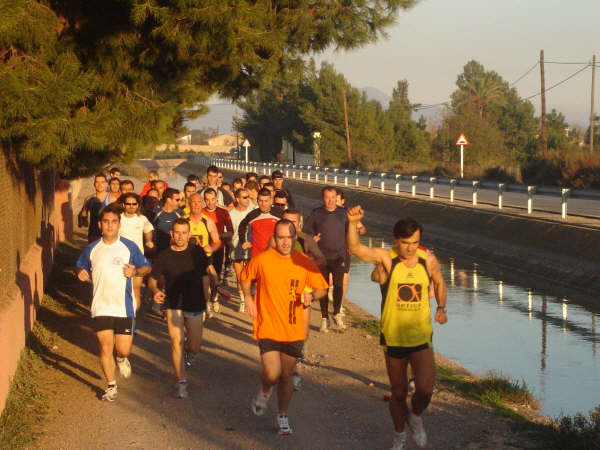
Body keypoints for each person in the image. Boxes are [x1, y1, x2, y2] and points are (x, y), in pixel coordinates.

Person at [346, 207, 447, 450]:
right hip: (393, 338)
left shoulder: (427, 260)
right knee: (398, 393)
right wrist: (352, 223)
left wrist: (441, 306)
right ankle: (399, 434)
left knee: (424, 388)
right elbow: (356, 249)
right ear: (396, 240)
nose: (411, 248)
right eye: (406, 243)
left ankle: (416, 416)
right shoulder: (386, 258)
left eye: (415, 242)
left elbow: (439, 281)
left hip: (421, 335)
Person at [241, 219, 328, 435]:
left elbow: (322, 289)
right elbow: (245, 278)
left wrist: (312, 296)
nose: (286, 242)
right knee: (272, 373)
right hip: (268, 326)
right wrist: (248, 298)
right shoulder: (262, 260)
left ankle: (282, 415)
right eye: (281, 238)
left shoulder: (304, 262)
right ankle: (264, 391)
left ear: (294, 237)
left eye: (289, 237)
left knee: (286, 375)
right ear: (274, 238)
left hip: (294, 329)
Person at [75, 206, 151, 401]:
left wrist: (134, 272)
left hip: (124, 307)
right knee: (104, 347)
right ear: (100, 225)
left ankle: (122, 358)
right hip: (100, 306)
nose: (110, 225)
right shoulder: (92, 248)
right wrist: (80, 273)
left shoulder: (129, 247)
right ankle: (111, 386)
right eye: (106, 222)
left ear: (119, 225)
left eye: (114, 222)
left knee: (122, 349)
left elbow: (146, 267)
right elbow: (80, 265)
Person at [148, 219, 210, 399]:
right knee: (176, 342)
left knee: (195, 346)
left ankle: (191, 354)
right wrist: (155, 290)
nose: (180, 236)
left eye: (184, 233)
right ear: (172, 234)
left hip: (195, 303)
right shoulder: (164, 256)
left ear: (189, 235)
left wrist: (211, 295)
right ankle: (181, 382)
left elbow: (207, 274)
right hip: (173, 303)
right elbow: (152, 279)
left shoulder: (197, 252)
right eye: (177, 232)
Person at [303, 186, 348, 332]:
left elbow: (351, 231)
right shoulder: (317, 213)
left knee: (339, 285)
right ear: (323, 198)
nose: (330, 200)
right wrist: (312, 239)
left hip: (339, 256)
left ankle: (336, 313)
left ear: (337, 197)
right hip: (321, 257)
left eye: (333, 197)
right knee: (323, 288)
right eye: (327, 197)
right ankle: (324, 318)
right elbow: (306, 232)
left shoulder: (344, 213)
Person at [119, 193, 154, 309]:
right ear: (123, 205)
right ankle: (120, 316)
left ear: (138, 205)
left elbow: (148, 229)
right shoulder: (118, 219)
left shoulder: (142, 219)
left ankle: (132, 319)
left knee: (135, 289)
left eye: (134, 204)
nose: (131, 206)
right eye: (128, 204)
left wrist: (148, 240)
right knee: (120, 289)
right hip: (120, 258)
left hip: (137, 258)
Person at [202, 188, 233, 312]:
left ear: (217, 199)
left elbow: (230, 232)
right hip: (204, 249)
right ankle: (205, 301)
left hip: (218, 248)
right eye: (207, 200)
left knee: (216, 274)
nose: (210, 202)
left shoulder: (223, 212)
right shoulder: (201, 212)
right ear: (204, 200)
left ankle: (214, 297)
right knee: (204, 275)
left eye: (213, 199)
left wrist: (217, 235)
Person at [228, 188, 255, 312]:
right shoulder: (231, 214)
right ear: (237, 199)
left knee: (250, 277)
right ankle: (242, 301)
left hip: (251, 250)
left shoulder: (253, 212)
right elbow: (228, 232)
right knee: (240, 277)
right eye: (244, 197)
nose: (247, 199)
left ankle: (250, 298)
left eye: (248, 196)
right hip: (236, 249)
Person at [238, 188, 282, 259]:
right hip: (257, 256)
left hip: (275, 255)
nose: (263, 204)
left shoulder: (279, 214)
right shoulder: (252, 215)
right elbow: (242, 226)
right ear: (257, 201)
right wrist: (243, 241)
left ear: (271, 201)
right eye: (260, 201)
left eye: (266, 201)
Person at [78, 174, 110, 242]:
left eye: (102, 182)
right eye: (97, 182)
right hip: (93, 234)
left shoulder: (112, 199)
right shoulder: (88, 198)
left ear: (106, 184)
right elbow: (84, 217)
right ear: (94, 184)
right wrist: (83, 217)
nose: (99, 184)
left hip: (109, 233)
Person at [153, 188, 183, 253]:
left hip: (175, 250)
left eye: (180, 200)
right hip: (158, 251)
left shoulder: (180, 213)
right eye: (177, 200)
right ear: (169, 200)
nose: (179, 202)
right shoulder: (155, 213)